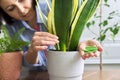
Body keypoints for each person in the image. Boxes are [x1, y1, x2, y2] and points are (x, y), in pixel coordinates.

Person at [0, 0, 103, 79]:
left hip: (69, 71)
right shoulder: (11, 29)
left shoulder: (52, 8)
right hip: (38, 76)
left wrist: (81, 44)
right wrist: (32, 51)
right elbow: (24, 62)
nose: (21, 10)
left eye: (22, 0)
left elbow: (73, 34)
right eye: (11, 8)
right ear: (4, 12)